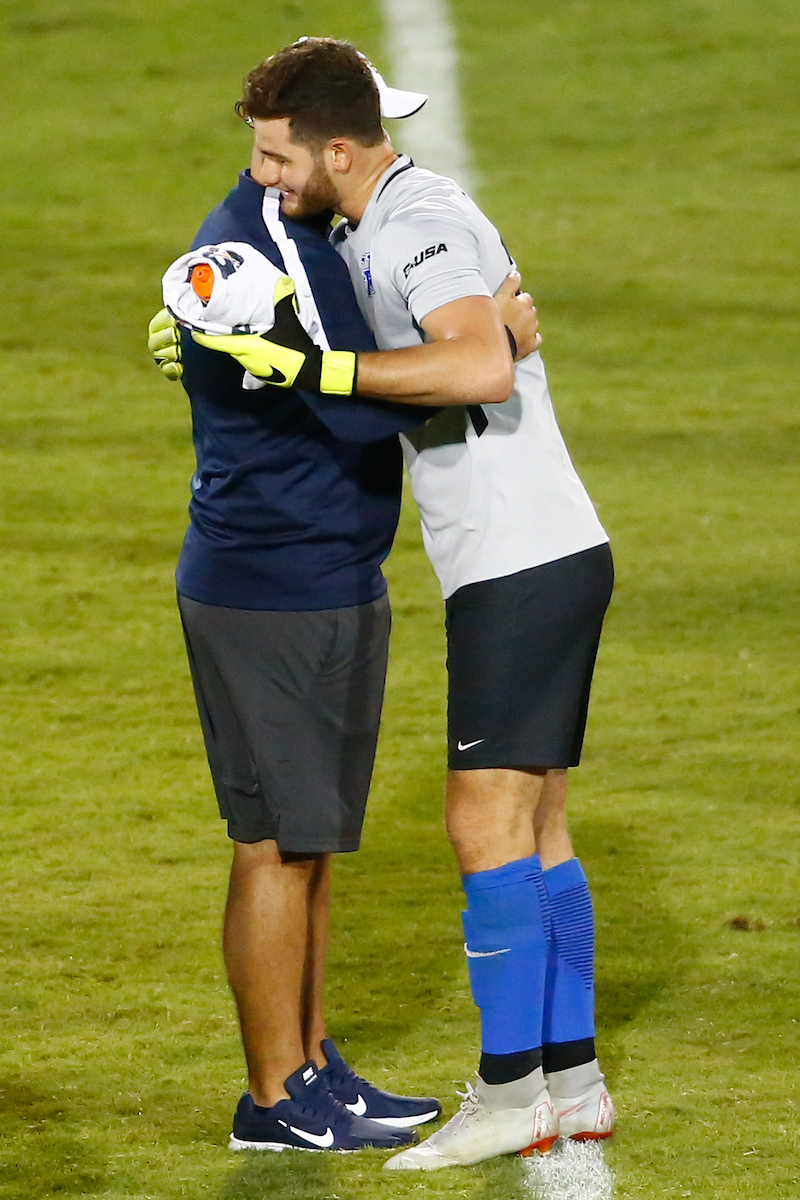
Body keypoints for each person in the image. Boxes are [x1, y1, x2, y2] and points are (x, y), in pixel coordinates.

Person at [183, 37, 617, 1170]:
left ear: (337, 149)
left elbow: (469, 368)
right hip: (545, 549)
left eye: (280, 156)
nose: (264, 175)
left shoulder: (410, 225)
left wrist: (303, 368)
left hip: (515, 561)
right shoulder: (371, 218)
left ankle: (512, 1091)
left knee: (482, 823)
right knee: (532, 823)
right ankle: (567, 1079)